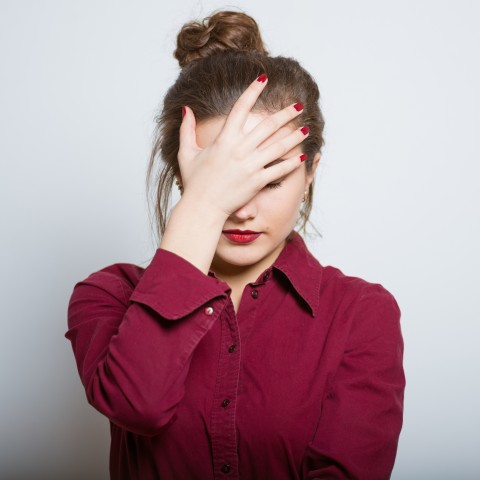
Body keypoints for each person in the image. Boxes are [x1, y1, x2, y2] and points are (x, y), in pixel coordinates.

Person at [66, 10, 405, 480]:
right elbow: (137, 405)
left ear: (310, 173)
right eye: (221, 180)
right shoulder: (107, 295)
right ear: (184, 175)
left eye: (270, 180)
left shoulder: (362, 314)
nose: (242, 209)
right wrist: (203, 207)